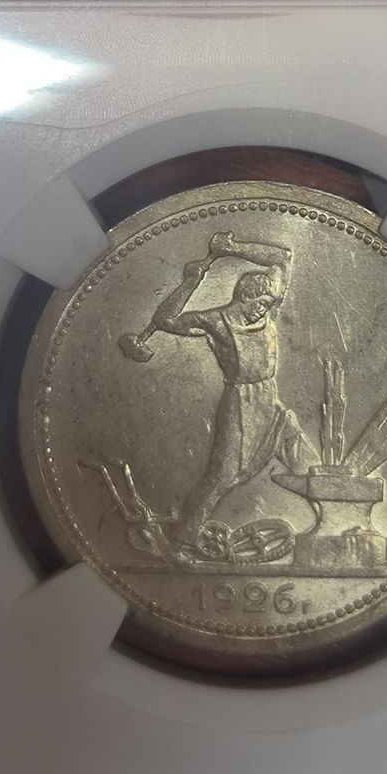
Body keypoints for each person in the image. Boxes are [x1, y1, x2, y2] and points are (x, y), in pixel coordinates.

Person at [147, 230, 318, 554]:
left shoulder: (267, 310)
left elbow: (282, 257)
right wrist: (190, 282)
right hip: (240, 405)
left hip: (269, 400)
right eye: (259, 305)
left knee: (304, 457)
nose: (263, 311)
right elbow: (165, 319)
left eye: (268, 305)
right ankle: (181, 541)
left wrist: (232, 248)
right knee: (222, 476)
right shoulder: (216, 322)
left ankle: (328, 520)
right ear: (244, 296)